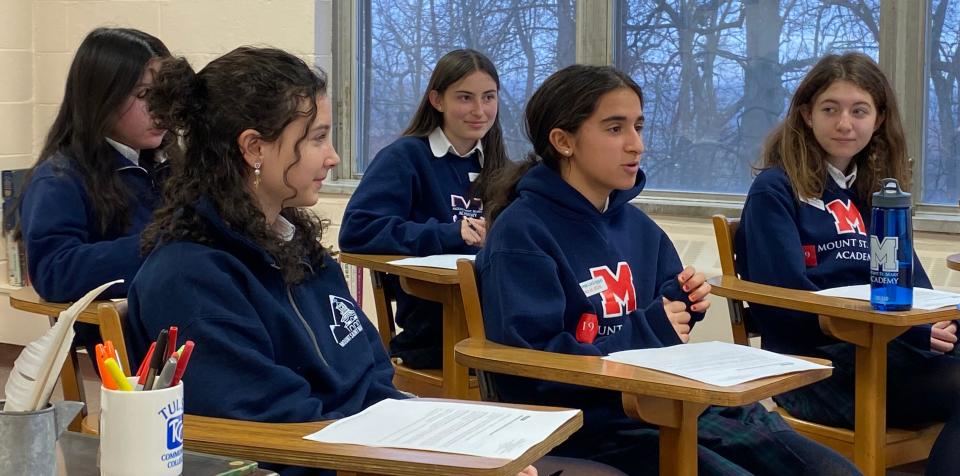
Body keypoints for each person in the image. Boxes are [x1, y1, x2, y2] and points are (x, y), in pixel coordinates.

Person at [127, 46, 552, 476]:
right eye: (316, 138)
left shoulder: (299, 248)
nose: (332, 157)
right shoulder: (190, 276)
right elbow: (279, 430)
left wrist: (461, 445)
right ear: (254, 147)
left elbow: (371, 377)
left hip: (363, 451)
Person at [478, 64, 859, 475]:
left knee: (832, 471)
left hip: (673, 405)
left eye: (638, 126)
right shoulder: (522, 234)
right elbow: (532, 366)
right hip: (601, 424)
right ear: (563, 141)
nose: (636, 145)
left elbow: (664, 313)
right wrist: (653, 328)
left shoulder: (639, 227)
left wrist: (685, 302)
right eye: (614, 128)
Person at [736, 51, 960, 472]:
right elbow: (784, 309)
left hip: (889, 357)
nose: (844, 124)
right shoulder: (775, 190)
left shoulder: (876, 194)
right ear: (806, 114)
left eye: (859, 111)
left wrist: (939, 325)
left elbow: (919, 289)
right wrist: (904, 331)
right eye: (830, 109)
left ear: (878, 120)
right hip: (816, 369)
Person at [338, 49, 508, 369]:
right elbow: (357, 229)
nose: (479, 110)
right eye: (464, 98)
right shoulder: (406, 157)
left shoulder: (501, 164)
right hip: (435, 328)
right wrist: (449, 233)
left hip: (495, 320)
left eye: (489, 97)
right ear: (437, 100)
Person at [16, 27, 172, 356]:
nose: (161, 109)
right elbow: (54, 271)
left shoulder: (169, 162)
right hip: (138, 341)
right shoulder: (60, 176)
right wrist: (166, 248)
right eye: (144, 95)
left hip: (184, 316)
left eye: (166, 93)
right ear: (101, 96)